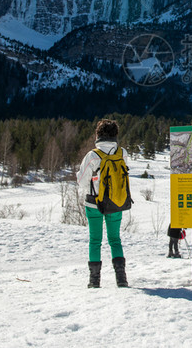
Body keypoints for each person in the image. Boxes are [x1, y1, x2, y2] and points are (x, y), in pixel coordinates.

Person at [78, 119, 129, 288]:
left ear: (98, 134)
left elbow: (82, 181)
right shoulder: (122, 153)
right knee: (115, 239)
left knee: (95, 240)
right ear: (116, 135)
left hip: (94, 204)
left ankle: (94, 281)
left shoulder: (92, 155)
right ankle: (121, 279)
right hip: (116, 202)